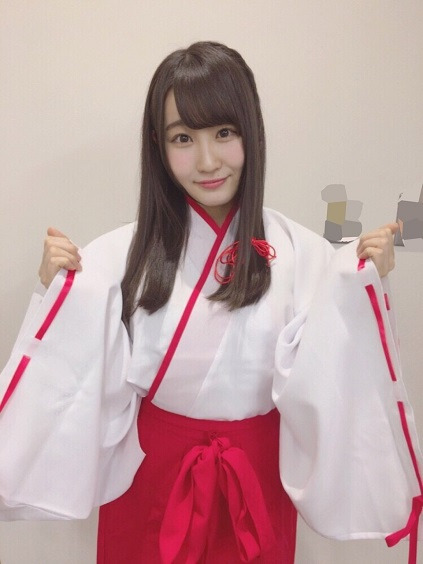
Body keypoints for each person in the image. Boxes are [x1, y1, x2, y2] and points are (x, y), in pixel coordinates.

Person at [0, 42, 421, 564]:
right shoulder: (118, 255)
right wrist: (59, 289)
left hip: (255, 483)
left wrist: (360, 283)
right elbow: (77, 378)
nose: (206, 161)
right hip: (152, 481)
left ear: (252, 133)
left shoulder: (303, 254)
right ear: (158, 146)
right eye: (183, 138)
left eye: (224, 133)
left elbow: (332, 377)